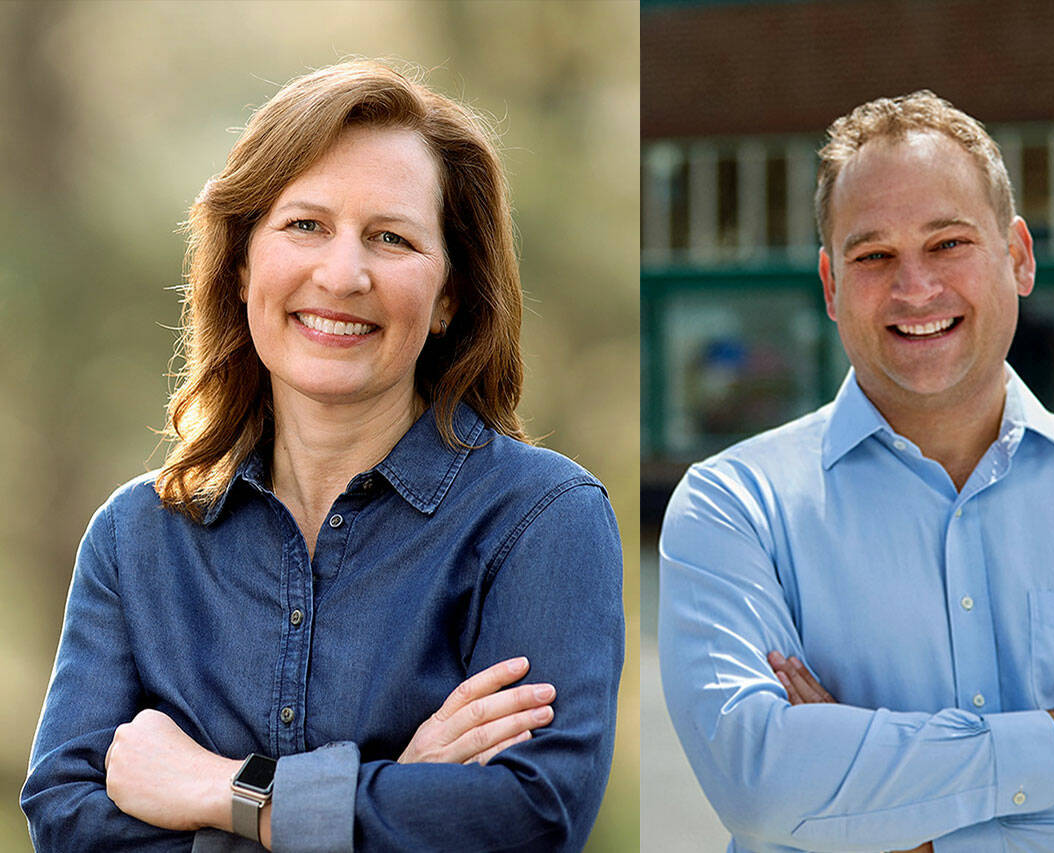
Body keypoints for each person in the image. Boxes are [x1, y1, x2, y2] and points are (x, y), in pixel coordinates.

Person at [22, 60, 624, 852]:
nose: (342, 274)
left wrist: (216, 790)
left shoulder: (541, 522)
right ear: (241, 265)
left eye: (392, 237)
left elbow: (526, 818)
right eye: (305, 225)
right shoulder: (136, 539)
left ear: (449, 295)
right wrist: (391, 794)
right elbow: (68, 825)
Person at [658, 91, 1054, 852]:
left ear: (1018, 256)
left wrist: (903, 827)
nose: (915, 288)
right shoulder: (735, 507)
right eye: (873, 255)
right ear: (830, 286)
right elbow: (762, 781)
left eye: (948, 243)